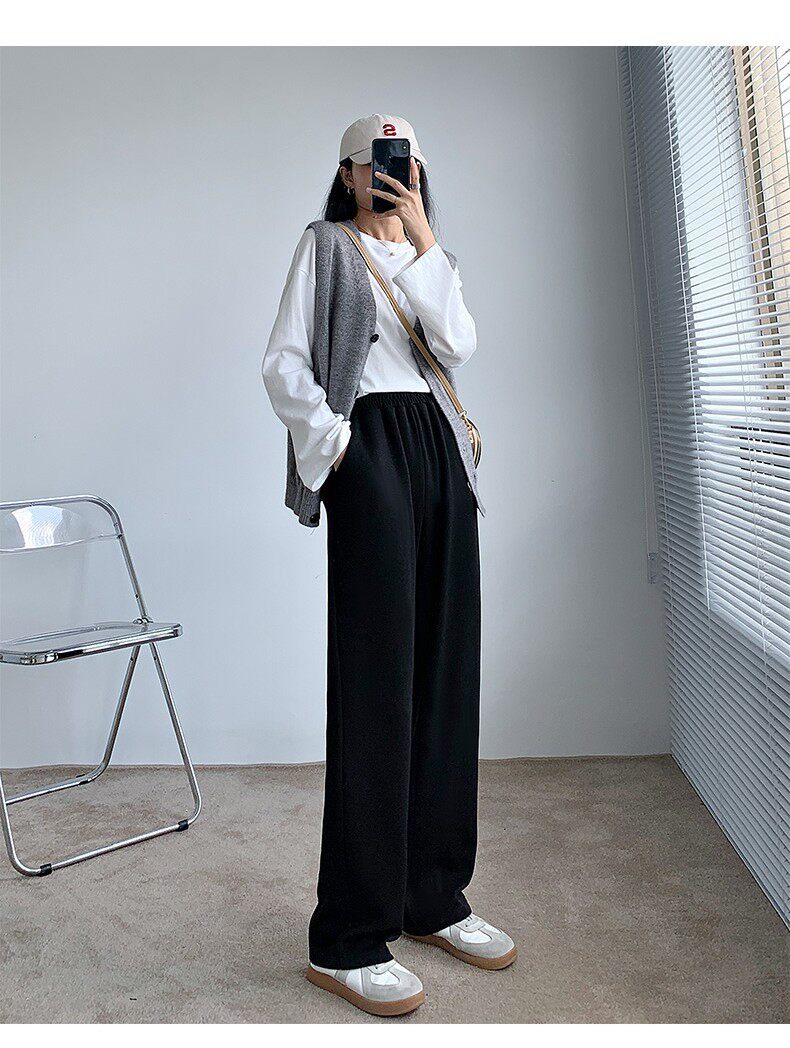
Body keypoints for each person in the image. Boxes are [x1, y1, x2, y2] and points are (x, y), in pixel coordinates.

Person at [262, 114, 515, 1017]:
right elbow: (284, 364)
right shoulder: (324, 246)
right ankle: (348, 935)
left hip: (440, 448)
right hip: (369, 445)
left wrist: (426, 241)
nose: (392, 176)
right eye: (377, 163)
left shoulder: (426, 256)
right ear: (347, 172)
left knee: (446, 674)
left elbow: (459, 346)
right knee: (378, 684)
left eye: (405, 164)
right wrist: (340, 451)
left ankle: (432, 896)